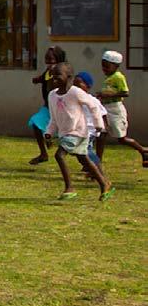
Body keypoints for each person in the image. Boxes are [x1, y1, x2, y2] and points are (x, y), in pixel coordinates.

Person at [45, 62, 115, 201]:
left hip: (78, 131)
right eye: (53, 77)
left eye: (58, 76)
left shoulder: (75, 92)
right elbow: (54, 118)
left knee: (59, 155)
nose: (54, 80)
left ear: (69, 77)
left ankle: (69, 188)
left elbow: (94, 106)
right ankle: (104, 184)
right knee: (84, 159)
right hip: (66, 133)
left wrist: (98, 124)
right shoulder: (52, 95)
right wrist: (49, 132)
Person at [96, 50, 148, 167]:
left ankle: (143, 150)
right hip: (105, 109)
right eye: (103, 65)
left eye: (107, 66)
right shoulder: (109, 78)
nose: (104, 68)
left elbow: (125, 93)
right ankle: (97, 162)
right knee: (101, 135)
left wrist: (109, 95)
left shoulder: (118, 77)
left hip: (115, 110)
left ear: (115, 66)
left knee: (121, 139)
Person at [28, 45, 66, 164]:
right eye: (47, 60)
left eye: (51, 60)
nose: (49, 63)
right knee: (35, 123)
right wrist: (37, 79)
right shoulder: (48, 72)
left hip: (60, 108)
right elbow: (44, 78)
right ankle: (43, 153)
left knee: (70, 137)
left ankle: (87, 160)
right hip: (48, 107)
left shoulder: (61, 72)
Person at [73, 71, 107, 175]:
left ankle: (99, 172)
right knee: (82, 152)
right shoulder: (74, 100)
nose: (75, 87)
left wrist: (103, 127)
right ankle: (92, 170)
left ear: (87, 86)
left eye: (78, 84)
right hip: (80, 131)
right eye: (74, 84)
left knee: (85, 151)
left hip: (90, 131)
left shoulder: (92, 100)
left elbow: (103, 114)